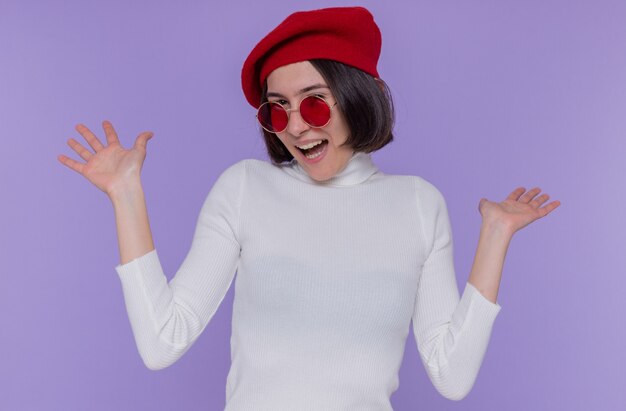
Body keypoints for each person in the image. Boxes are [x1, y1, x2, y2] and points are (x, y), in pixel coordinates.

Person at [57, 6, 560, 410]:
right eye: (278, 109)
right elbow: (162, 341)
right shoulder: (245, 189)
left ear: (355, 97)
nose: (297, 126)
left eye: (315, 102)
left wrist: (495, 235)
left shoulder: (417, 204)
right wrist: (126, 195)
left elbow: (451, 377)